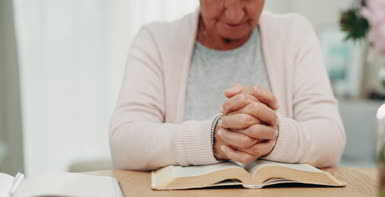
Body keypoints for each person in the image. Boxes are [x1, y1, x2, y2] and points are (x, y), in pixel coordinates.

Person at [110, 0, 346, 170]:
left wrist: (273, 136)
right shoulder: (156, 40)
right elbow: (125, 143)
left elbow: (331, 138)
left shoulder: (295, 34)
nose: (234, 13)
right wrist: (213, 138)